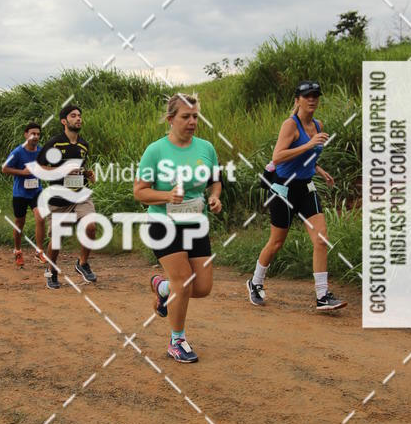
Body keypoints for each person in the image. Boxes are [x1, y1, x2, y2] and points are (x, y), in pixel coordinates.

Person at [134, 93, 222, 364]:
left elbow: (215, 180)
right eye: (186, 116)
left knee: (203, 287)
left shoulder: (206, 148)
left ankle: (162, 289)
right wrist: (166, 196)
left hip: (196, 224)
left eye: (195, 116)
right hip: (163, 223)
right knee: (182, 282)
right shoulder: (156, 150)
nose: (192, 121)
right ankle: (177, 341)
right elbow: (139, 192)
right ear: (171, 119)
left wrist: (215, 197)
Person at [246, 80, 346, 312]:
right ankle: (256, 282)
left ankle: (322, 295)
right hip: (283, 189)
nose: (312, 99)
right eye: (307, 95)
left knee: (321, 240)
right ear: (297, 100)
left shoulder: (318, 125)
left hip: (305, 188)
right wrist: (309, 144)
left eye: (315, 95)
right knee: (277, 242)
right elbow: (278, 156)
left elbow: (308, 156)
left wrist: (319, 169)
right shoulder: (290, 125)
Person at [36, 105, 97, 290]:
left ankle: (82, 263)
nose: (78, 118)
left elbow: (77, 170)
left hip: (80, 195)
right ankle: (51, 269)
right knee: (56, 241)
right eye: (73, 116)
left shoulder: (83, 145)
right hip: (59, 200)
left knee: (91, 226)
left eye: (80, 115)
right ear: (64, 121)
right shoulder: (54, 144)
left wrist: (87, 174)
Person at [1, 122, 46, 268]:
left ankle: (39, 251)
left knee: (40, 217)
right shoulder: (17, 152)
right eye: (33, 133)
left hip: (36, 191)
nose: (36, 136)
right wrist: (23, 172)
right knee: (20, 222)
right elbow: (4, 168)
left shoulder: (40, 151)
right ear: (26, 134)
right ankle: (18, 250)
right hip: (20, 193)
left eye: (38, 134)